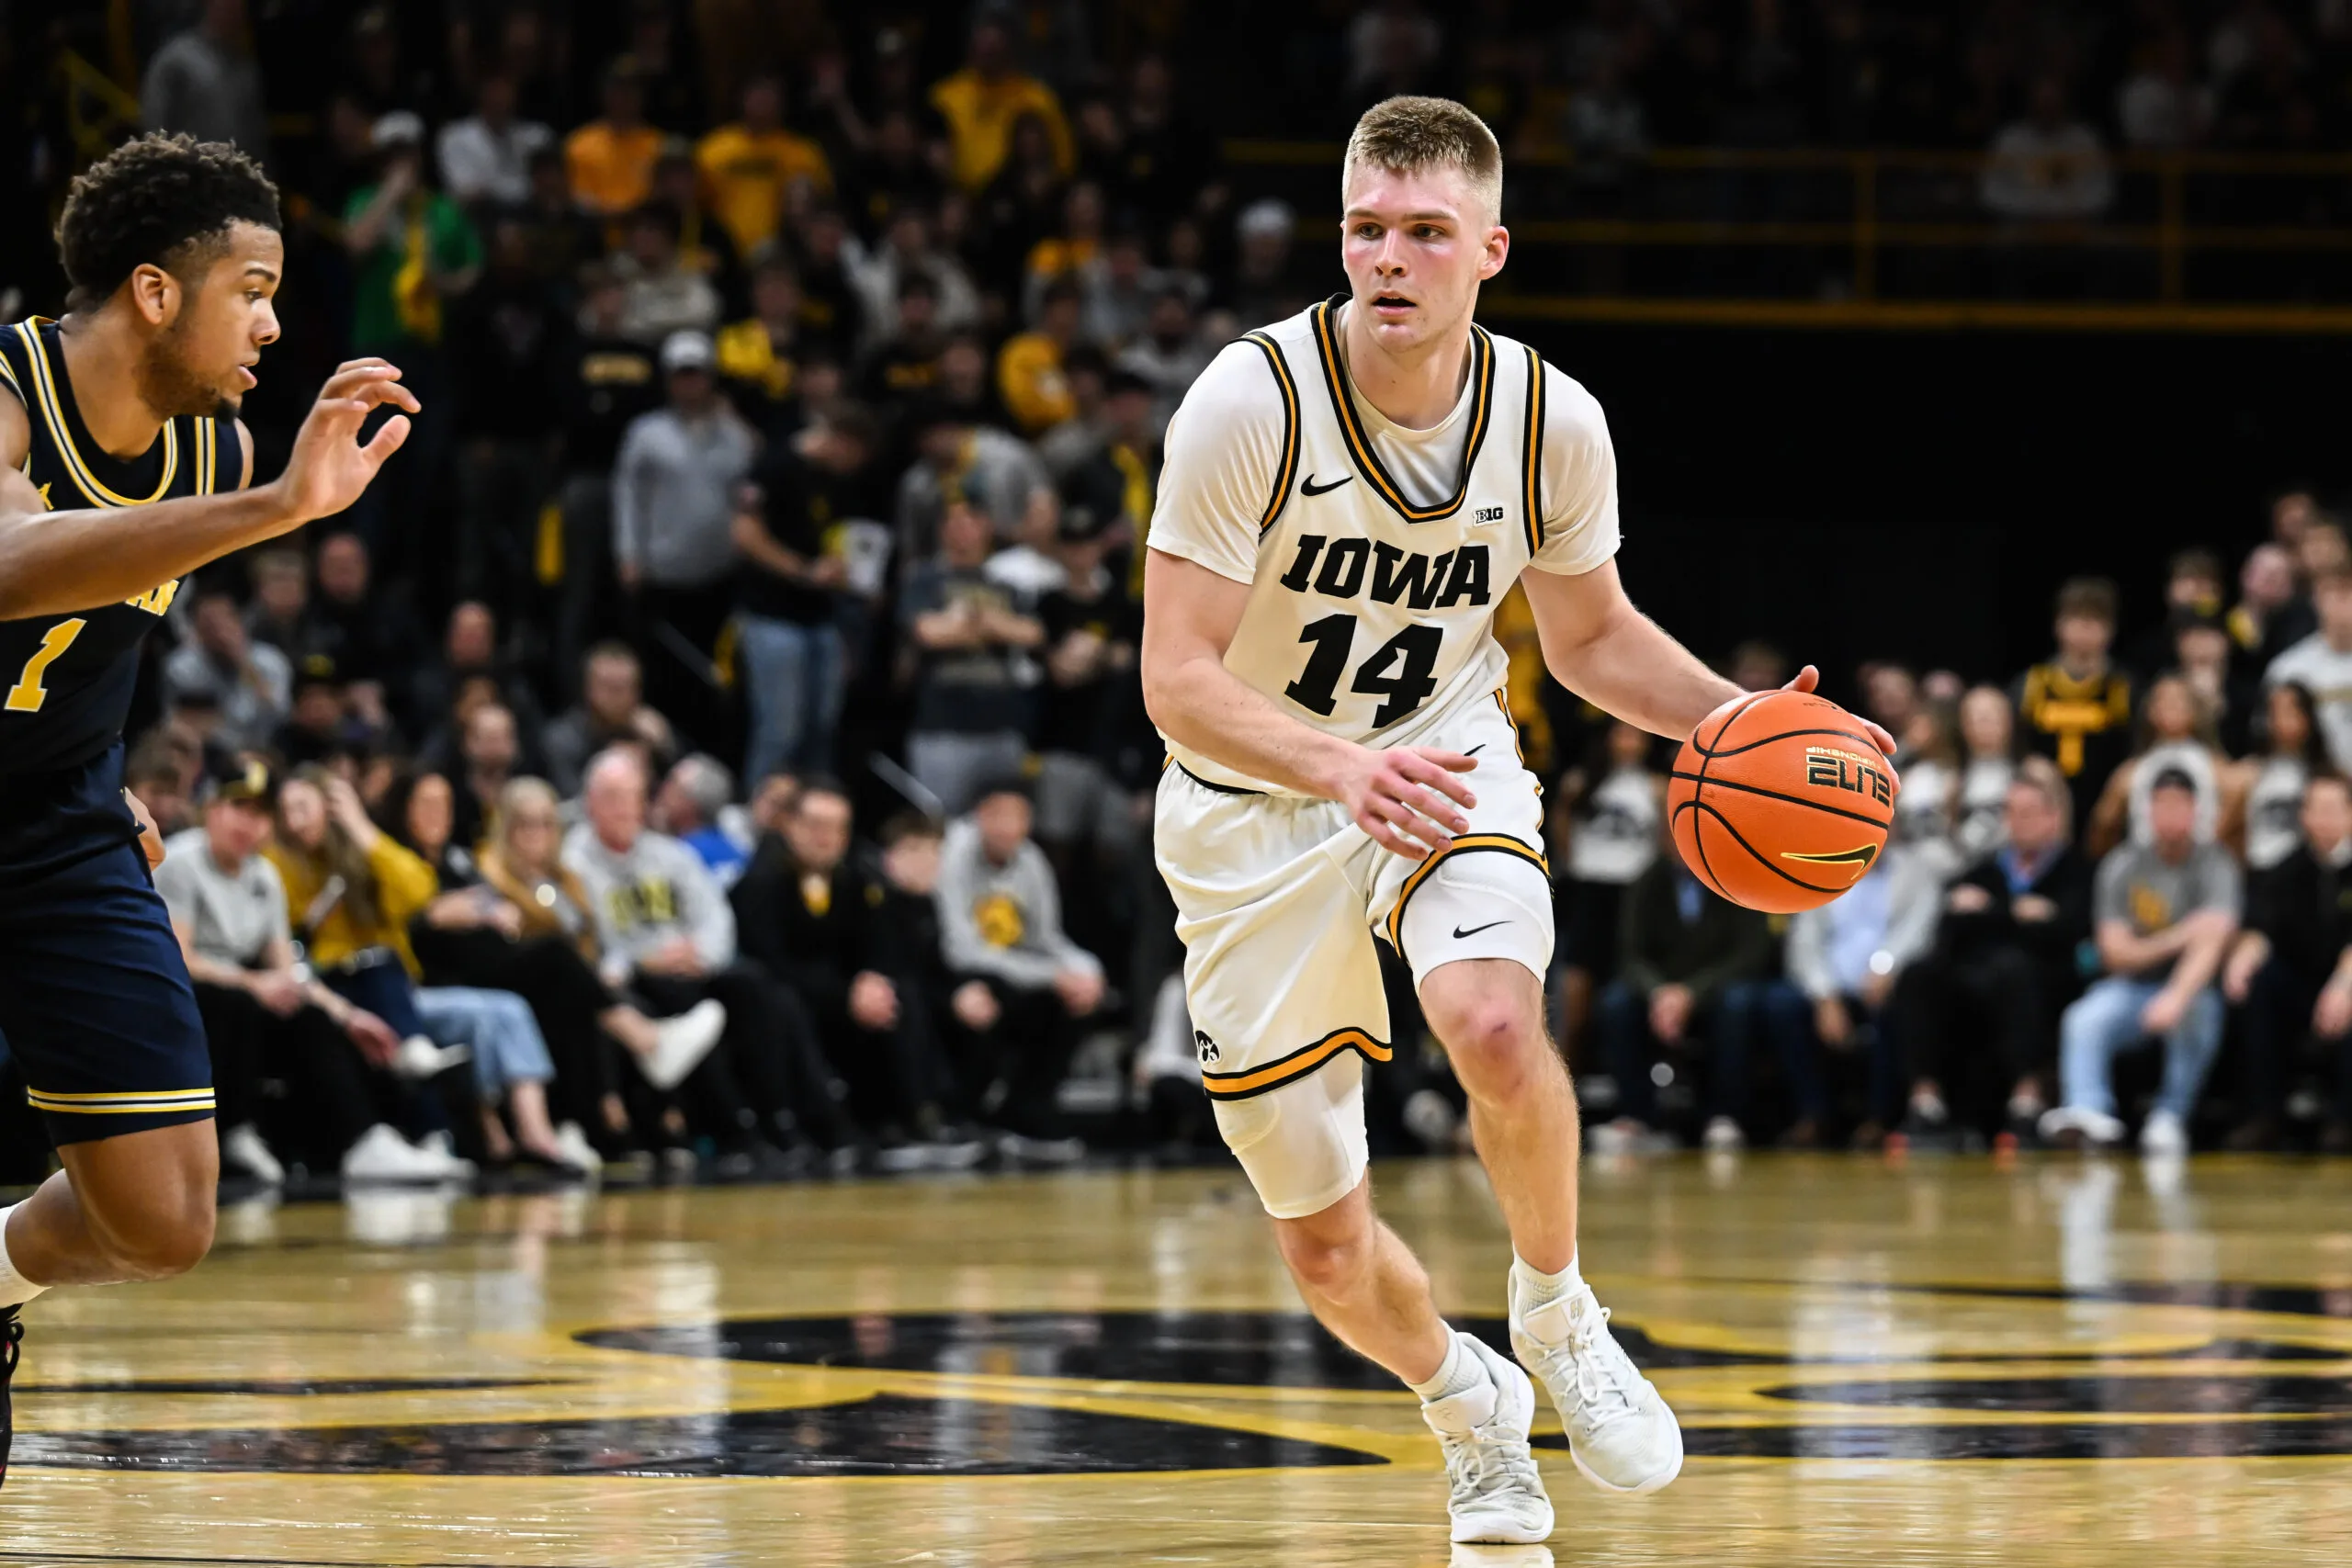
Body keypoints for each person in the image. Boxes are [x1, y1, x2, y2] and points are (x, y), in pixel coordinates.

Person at [1137, 96, 1887, 1541]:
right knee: (1330, 1249)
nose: (1390, 258)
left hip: (1446, 759)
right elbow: (1174, 675)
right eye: (1367, 228)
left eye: (1425, 232)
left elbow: (1591, 640)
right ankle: (1463, 1403)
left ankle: (1556, 1310)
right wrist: (1332, 768)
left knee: (1492, 1021)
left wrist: (1735, 717)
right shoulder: (1252, 403)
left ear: (1489, 249)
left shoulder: (1550, 421)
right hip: (1250, 816)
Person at [0, 131, 420, 1488]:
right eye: (253, 285)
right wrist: (271, 509)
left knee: (166, 1211)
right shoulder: (8, 387)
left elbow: (107, 646)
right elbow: (10, 568)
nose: (276, 320)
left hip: (55, 820)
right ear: (156, 291)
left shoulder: (213, 446)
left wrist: (106, 770)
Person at [153, 756, 442, 1187]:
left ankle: (362, 1143)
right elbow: (181, 960)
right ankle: (234, 1132)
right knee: (238, 1003)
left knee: (309, 1017)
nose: (249, 825)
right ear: (211, 808)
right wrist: (257, 983)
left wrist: (346, 1015)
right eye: (239, 809)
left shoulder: (264, 875)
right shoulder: (181, 863)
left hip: (240, 997)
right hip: (180, 1001)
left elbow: (288, 973)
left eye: (259, 814)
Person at [563, 748, 847, 1168]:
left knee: (760, 990)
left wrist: (703, 955)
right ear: (590, 802)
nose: (624, 808)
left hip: (691, 965)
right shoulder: (575, 861)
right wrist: (651, 958)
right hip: (630, 975)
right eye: (612, 797)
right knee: (687, 1002)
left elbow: (714, 915)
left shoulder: (669, 854)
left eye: (632, 796)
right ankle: (730, 1129)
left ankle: (791, 1119)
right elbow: (589, 938)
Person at [733, 780, 973, 1167]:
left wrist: (871, 979)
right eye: (816, 825)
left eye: (837, 827)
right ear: (790, 825)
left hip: (844, 998)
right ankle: (828, 1126)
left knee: (900, 992)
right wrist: (847, 992)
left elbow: (878, 942)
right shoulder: (761, 881)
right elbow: (772, 962)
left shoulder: (855, 878)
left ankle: (914, 1116)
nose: (826, 837)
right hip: (789, 998)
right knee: (785, 1005)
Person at [2041, 769, 2241, 1155]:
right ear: (2147, 810)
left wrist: (2176, 995)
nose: (2169, 814)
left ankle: (2171, 1114)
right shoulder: (2123, 863)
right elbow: (2114, 952)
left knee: (2197, 1010)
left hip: (2192, 988)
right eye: (2161, 805)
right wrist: (2181, 935)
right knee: (2085, 1018)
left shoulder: (2216, 863)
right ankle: (2089, 1110)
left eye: (2178, 805)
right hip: (2132, 984)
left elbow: (2212, 944)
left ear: (2195, 810)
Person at [1892, 759, 2091, 1144]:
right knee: (1919, 974)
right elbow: (1953, 924)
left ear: (2053, 818)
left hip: (2043, 978)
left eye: (2030, 813)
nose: (2020, 821)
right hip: (1978, 974)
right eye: (2012, 812)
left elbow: (2067, 930)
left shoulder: (2075, 869)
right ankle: (1925, 1104)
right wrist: (2016, 914)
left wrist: (1991, 912)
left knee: (2014, 970)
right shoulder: (1985, 868)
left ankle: (2026, 1101)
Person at [937, 778, 1104, 1158]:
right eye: (999, 816)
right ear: (979, 816)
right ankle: (961, 1113)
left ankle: (1025, 1110)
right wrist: (1051, 976)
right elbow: (960, 949)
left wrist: (1086, 970)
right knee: (987, 996)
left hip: (1014, 968)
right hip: (953, 972)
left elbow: (1046, 939)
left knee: (1079, 998)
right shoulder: (956, 855)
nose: (1008, 828)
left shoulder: (1031, 860)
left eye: (1018, 818)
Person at [732, 402, 879, 784]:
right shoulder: (775, 465)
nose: (855, 467)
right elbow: (745, 534)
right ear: (843, 442)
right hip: (772, 615)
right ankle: (761, 825)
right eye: (856, 456)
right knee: (781, 731)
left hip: (822, 618)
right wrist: (804, 571)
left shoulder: (833, 480)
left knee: (821, 730)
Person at [2221, 773, 2352, 1152]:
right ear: (2304, 816)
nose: (2324, 819)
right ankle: (2264, 1114)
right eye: (2316, 809)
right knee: (2261, 984)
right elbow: (2262, 926)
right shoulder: (2287, 869)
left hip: (2344, 982)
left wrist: (2344, 984)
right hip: (2303, 983)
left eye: (2333, 809)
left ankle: (2343, 1120)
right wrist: (2244, 956)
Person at [900, 502, 1044, 814]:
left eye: (972, 520)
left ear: (987, 528)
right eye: (954, 521)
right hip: (941, 726)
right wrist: (994, 625)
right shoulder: (924, 580)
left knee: (1000, 824)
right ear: (942, 530)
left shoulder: (1005, 585)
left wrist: (966, 621)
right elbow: (927, 633)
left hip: (1001, 725)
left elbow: (1033, 633)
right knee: (938, 822)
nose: (963, 529)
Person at [2015, 577, 2134, 836]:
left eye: (2093, 622)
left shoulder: (2122, 687)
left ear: (2109, 629)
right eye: (2076, 620)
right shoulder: (2035, 683)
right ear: (2059, 626)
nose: (2083, 630)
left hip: (2106, 810)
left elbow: (2136, 748)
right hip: (2046, 805)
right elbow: (2015, 743)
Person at [2226, 681, 2326, 873]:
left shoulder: (2326, 774)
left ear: (2308, 716)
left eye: (2291, 710)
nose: (2282, 719)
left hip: (2310, 876)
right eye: (2274, 711)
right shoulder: (2249, 771)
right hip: (2260, 873)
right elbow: (2227, 832)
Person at [2265, 569, 2352, 772]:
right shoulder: (2288, 669)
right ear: (2316, 600)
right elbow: (2269, 740)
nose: (2344, 603)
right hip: (2309, 784)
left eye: (2349, 592)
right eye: (2334, 593)